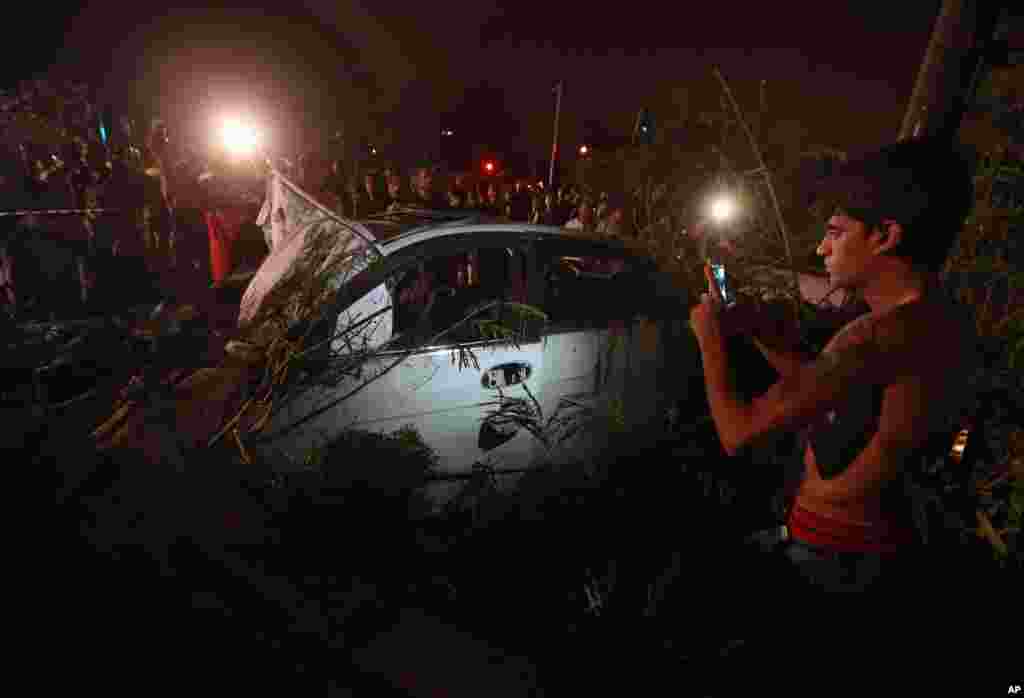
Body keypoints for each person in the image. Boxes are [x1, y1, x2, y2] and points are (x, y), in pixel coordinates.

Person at [688, 138, 977, 601]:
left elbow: (737, 432)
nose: (821, 248)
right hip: (885, 553)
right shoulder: (936, 319)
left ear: (885, 235)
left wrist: (710, 338)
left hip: (837, 564)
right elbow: (830, 386)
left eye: (836, 232)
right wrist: (757, 332)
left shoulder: (876, 336)